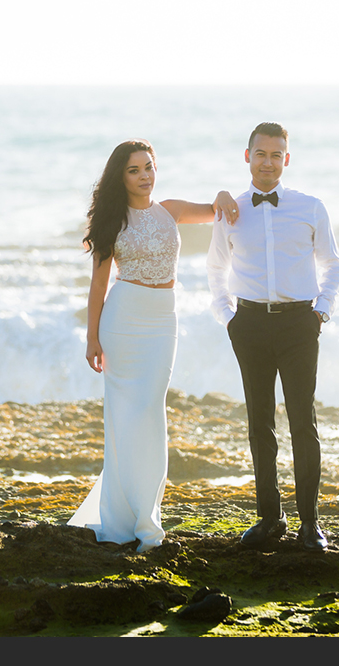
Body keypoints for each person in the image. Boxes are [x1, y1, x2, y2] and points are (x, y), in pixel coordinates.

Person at [68, 139, 237, 553]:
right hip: (123, 321)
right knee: (125, 418)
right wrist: (92, 337)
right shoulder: (113, 221)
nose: (145, 176)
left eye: (149, 167)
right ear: (120, 177)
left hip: (163, 320)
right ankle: (129, 523)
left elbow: (217, 211)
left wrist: (222, 195)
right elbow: (98, 283)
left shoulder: (171, 210)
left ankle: (146, 517)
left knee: (150, 413)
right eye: (134, 170)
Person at [206, 122, 339, 552]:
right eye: (260, 154)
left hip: (300, 324)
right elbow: (215, 269)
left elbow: (333, 263)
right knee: (259, 422)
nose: (268, 162)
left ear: (287, 159)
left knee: (303, 422)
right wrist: (228, 317)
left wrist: (322, 309)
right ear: (247, 157)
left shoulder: (310, 207)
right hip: (249, 326)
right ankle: (270, 518)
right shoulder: (231, 210)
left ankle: (310, 524)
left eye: (276, 155)